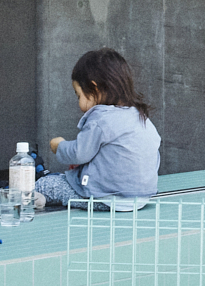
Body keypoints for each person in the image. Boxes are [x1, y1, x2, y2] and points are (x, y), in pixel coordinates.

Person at [35, 48, 161, 211]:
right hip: (140, 198)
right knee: (69, 177)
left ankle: (24, 196)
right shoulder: (141, 118)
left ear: (94, 89)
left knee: (47, 185)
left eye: (78, 95)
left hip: (105, 198)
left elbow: (79, 153)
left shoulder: (102, 120)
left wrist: (59, 146)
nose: (79, 103)